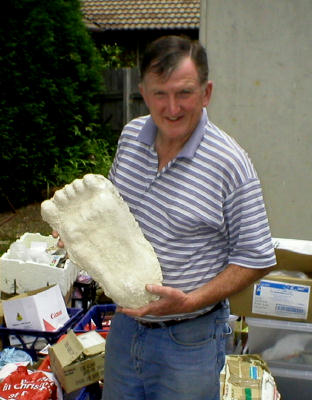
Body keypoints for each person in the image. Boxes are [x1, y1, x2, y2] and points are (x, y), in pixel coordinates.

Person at [56, 35, 277, 399]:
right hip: (125, 324)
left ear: (206, 93)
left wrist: (190, 301)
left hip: (189, 338)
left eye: (184, 93)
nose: (172, 107)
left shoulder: (230, 164)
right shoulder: (129, 139)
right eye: (160, 93)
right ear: (143, 92)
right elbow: (114, 214)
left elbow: (256, 258)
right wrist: (83, 234)